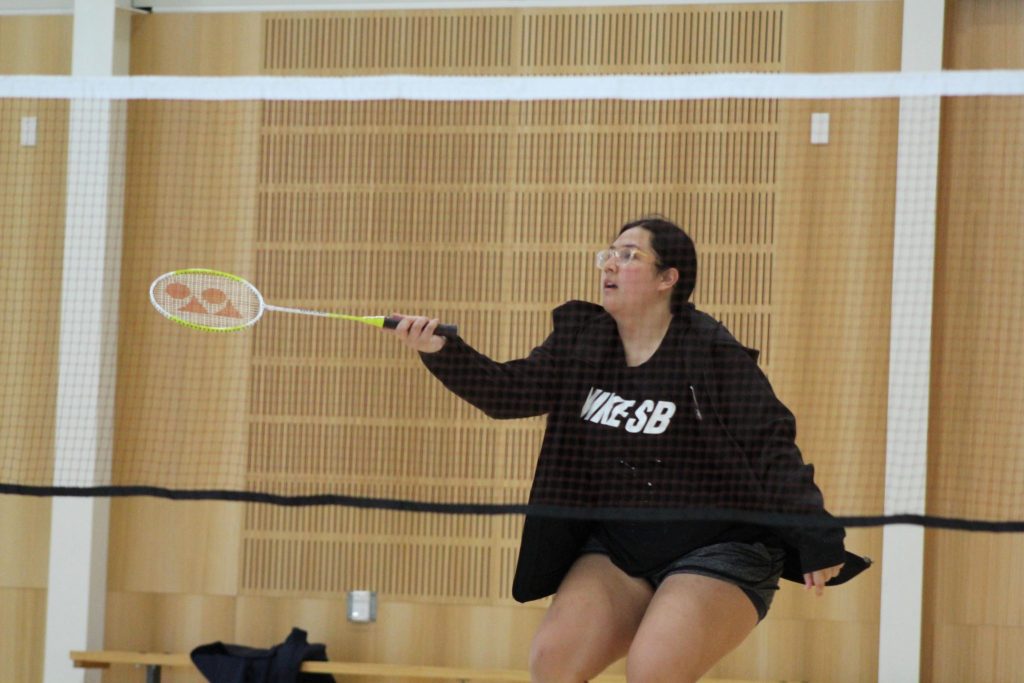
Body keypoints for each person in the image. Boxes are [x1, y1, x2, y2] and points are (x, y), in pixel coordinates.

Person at [389, 216, 861, 683]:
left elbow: (772, 447)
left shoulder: (713, 355)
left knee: (653, 670)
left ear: (667, 279)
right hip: (620, 545)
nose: (610, 265)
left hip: (720, 544)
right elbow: (509, 393)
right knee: (553, 661)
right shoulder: (584, 341)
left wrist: (816, 536)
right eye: (608, 254)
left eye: (630, 256)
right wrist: (441, 350)